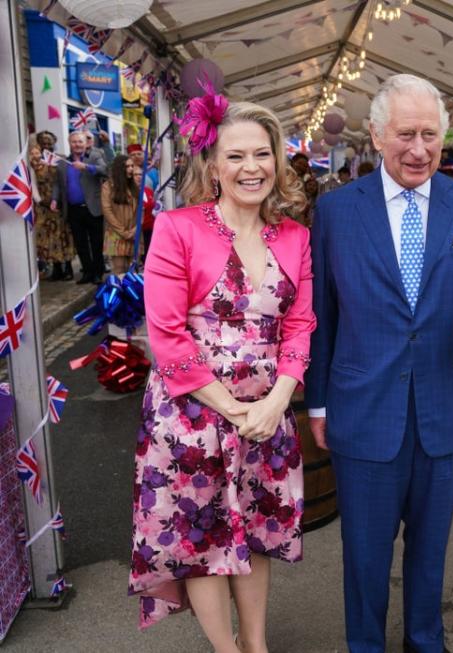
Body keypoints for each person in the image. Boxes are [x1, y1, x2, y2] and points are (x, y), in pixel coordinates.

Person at [305, 74, 453, 653]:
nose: (419, 149)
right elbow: (321, 315)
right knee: (365, 560)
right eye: (405, 134)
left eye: (429, 134)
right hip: (363, 414)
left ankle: (426, 642)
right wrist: (317, 403)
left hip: (443, 414)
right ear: (376, 135)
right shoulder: (336, 213)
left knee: (430, 554)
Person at [128, 95, 315, 653]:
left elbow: (301, 325)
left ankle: (256, 646)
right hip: (189, 414)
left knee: (256, 528)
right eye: (236, 156)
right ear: (212, 165)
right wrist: (233, 411)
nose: (251, 167)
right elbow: (165, 333)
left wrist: (277, 400)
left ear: (278, 162)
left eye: (263, 154)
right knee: (203, 536)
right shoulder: (177, 228)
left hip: (268, 411)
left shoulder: (295, 236)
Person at [51, 130, 108, 284]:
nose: (77, 144)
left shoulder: (94, 157)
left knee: (96, 243)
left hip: (92, 208)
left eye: (80, 141)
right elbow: (58, 183)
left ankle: (98, 272)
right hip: (73, 209)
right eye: (74, 141)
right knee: (81, 244)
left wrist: (86, 167)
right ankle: (87, 272)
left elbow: (105, 170)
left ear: (86, 143)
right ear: (69, 143)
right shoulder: (62, 162)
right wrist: (55, 199)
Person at [29, 143, 75, 281]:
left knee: (63, 235)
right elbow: (32, 186)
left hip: (58, 204)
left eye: (37, 152)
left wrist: (58, 199)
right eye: (32, 153)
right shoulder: (29, 168)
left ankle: (68, 267)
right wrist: (40, 201)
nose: (35, 156)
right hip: (43, 207)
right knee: (48, 238)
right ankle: (56, 268)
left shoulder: (52, 163)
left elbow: (60, 182)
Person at [101, 154, 138, 273]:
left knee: (133, 269)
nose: (131, 169)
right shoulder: (108, 186)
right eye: (127, 166)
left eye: (132, 166)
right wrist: (123, 232)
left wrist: (136, 229)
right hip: (116, 233)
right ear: (119, 169)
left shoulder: (135, 186)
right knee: (119, 269)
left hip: (134, 231)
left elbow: (141, 209)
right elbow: (107, 210)